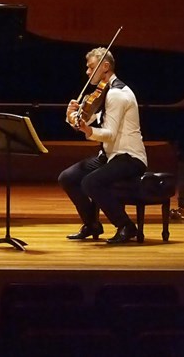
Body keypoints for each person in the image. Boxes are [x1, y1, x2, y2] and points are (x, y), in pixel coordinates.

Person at [58, 47, 148, 244]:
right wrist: (71, 115)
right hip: (109, 156)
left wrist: (88, 131)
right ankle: (92, 224)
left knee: (90, 182)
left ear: (105, 66)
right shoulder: (105, 92)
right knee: (68, 177)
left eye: (91, 68)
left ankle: (126, 226)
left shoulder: (117, 94)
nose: (87, 72)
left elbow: (109, 134)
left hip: (129, 157)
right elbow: (86, 121)